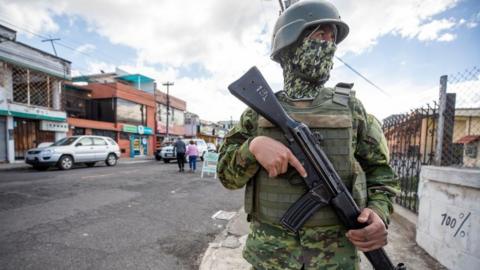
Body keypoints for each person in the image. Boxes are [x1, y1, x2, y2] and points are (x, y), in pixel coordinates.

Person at [217, 0, 399, 269]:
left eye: (333, 37)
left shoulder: (352, 109)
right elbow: (226, 176)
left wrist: (379, 214)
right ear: (289, 44)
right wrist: (252, 147)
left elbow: (381, 175)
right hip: (271, 258)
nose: (329, 44)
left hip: (334, 260)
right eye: (319, 34)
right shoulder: (256, 113)